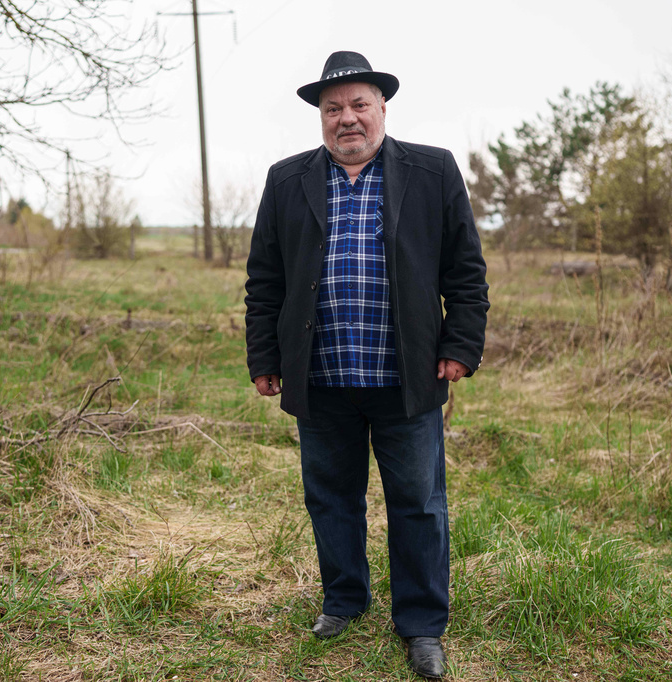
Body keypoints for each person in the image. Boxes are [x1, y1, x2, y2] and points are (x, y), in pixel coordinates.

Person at [244, 50, 489, 679]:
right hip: (320, 375)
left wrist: (460, 346)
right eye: (334, 109)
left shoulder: (432, 170)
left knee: (418, 504)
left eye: (359, 104)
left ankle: (422, 624)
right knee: (331, 499)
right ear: (321, 117)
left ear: (382, 107)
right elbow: (265, 280)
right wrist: (265, 356)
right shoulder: (287, 179)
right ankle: (345, 600)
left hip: (407, 376)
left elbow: (464, 270)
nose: (346, 118)